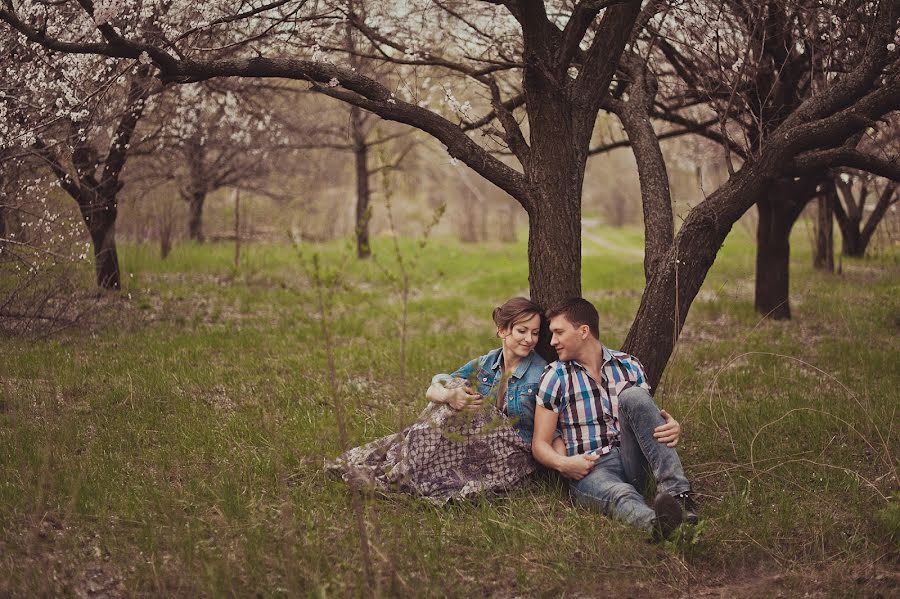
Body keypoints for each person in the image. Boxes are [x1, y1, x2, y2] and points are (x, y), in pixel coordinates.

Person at [326, 297, 549, 504]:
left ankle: (403, 472)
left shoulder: (541, 373)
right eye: (522, 331)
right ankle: (406, 467)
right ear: (502, 330)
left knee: (463, 396)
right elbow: (436, 386)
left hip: (515, 455)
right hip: (482, 445)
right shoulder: (487, 362)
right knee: (454, 389)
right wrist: (450, 396)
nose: (529, 339)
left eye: (535, 333)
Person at [532, 297, 698, 540]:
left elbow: (647, 415)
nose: (552, 341)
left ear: (584, 331)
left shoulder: (629, 366)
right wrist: (563, 464)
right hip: (591, 467)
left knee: (633, 395)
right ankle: (661, 526)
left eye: (558, 332)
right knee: (620, 494)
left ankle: (680, 497)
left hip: (635, 458)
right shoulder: (555, 376)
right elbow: (540, 444)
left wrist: (671, 426)